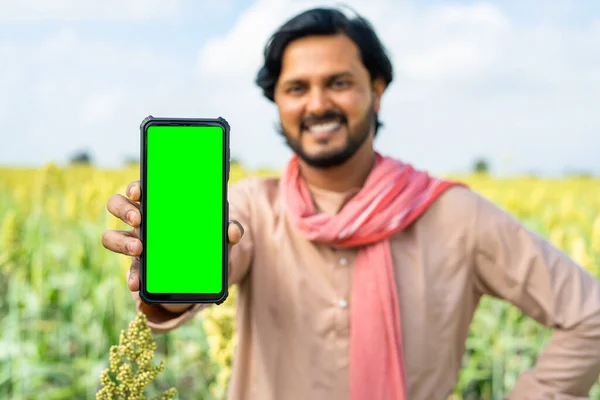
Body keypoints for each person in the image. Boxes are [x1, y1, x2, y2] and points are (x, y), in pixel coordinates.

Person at [101, 7, 600, 400]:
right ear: (277, 102)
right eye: (296, 88)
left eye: (338, 83)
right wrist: (164, 272)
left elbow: (590, 314)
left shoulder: (455, 217)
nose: (317, 104)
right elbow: (203, 272)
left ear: (377, 91)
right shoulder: (251, 207)